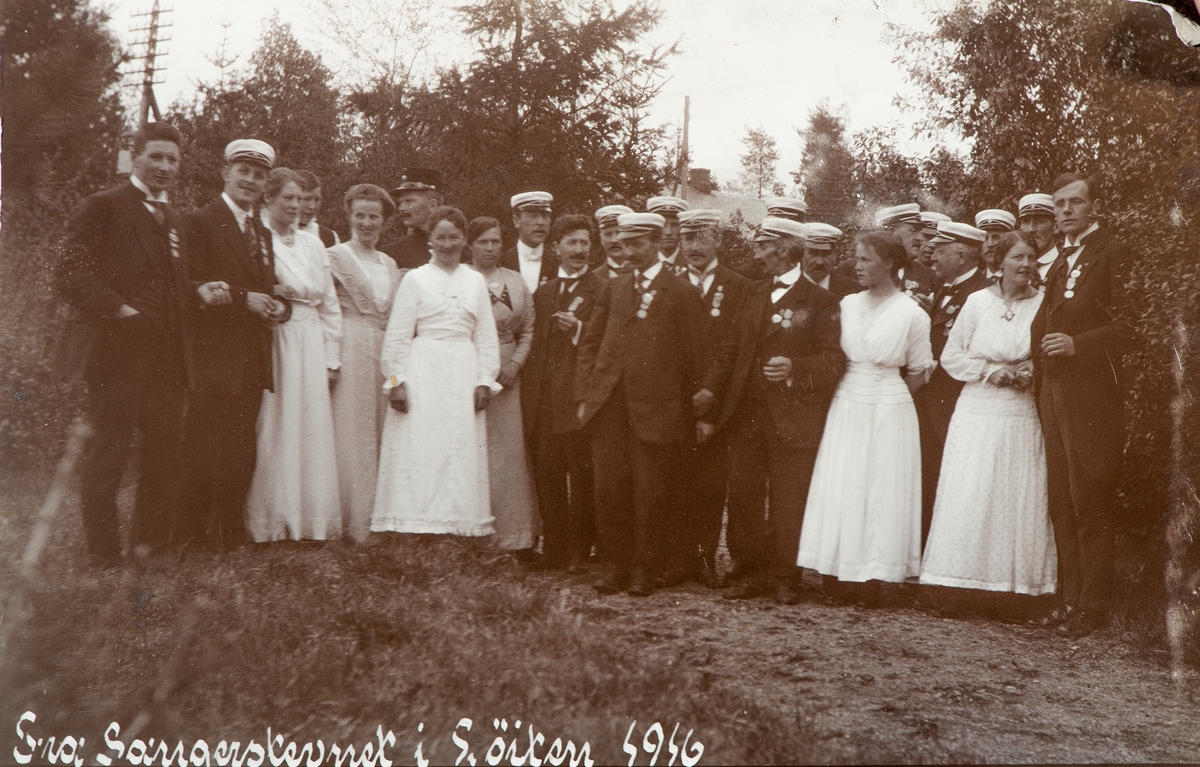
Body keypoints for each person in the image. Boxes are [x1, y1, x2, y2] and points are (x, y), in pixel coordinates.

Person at [56, 122, 230, 564]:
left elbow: (171, 281)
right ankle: (104, 554)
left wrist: (197, 290)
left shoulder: (174, 219)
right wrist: (121, 311)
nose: (165, 167)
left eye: (172, 159)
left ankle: (148, 548)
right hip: (115, 354)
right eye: (156, 156)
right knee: (107, 453)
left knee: (163, 454)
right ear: (133, 158)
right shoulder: (103, 207)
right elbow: (70, 274)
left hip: (167, 359)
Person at [707, 217, 845, 604]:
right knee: (745, 495)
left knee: (790, 498)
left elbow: (835, 361)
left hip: (793, 418)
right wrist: (709, 393)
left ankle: (785, 575)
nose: (755, 253)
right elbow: (730, 349)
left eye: (761, 245)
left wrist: (795, 368)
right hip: (746, 414)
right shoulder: (751, 293)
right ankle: (749, 570)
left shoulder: (822, 301)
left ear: (783, 249)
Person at [575, 212, 710, 596]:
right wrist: (586, 394)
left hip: (657, 412)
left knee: (651, 494)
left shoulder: (681, 291)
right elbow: (590, 344)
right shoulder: (613, 287)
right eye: (623, 244)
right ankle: (613, 566)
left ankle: (645, 570)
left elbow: (697, 357)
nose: (629, 251)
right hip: (609, 409)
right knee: (609, 490)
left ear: (656, 242)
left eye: (637, 244)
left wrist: (695, 411)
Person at [797, 231, 935, 603]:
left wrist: (885, 393)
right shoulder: (847, 305)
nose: (856, 267)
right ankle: (836, 572)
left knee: (880, 490)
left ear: (889, 264)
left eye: (865, 260)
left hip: (890, 407)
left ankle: (873, 576)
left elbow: (919, 372)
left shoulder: (912, 314)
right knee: (845, 482)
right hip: (847, 401)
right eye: (855, 259)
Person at [921, 230, 1057, 600]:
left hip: (1020, 409)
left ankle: (1011, 590)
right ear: (999, 262)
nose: (1026, 265)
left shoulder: (1044, 304)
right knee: (972, 489)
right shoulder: (978, 302)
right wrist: (987, 371)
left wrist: (1032, 368)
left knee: (1017, 492)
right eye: (1018, 257)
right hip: (978, 408)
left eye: (1031, 258)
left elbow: (1047, 352)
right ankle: (957, 585)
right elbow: (951, 355)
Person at [1031, 173, 1134, 636]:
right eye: (1060, 204)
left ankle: (1094, 608)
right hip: (1054, 392)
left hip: (1094, 394)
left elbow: (1133, 327)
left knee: (1089, 497)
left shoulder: (1113, 252)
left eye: (1076, 202)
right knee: (1061, 499)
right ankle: (1069, 601)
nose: (1067, 210)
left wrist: (1077, 344)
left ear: (1094, 207)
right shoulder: (1058, 261)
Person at [181, 138, 291, 550]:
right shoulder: (199, 222)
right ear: (225, 173)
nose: (250, 180)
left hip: (251, 357)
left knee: (240, 445)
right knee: (203, 443)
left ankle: (227, 531)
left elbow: (267, 290)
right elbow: (187, 285)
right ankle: (189, 534)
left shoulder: (261, 231)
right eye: (243, 171)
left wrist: (280, 308)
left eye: (259, 175)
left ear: (265, 184)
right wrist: (245, 300)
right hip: (213, 354)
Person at [372, 207, 501, 537]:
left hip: (463, 368)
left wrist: (485, 379)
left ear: (464, 241)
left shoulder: (474, 281)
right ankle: (416, 522)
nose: (447, 244)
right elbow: (399, 334)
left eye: (454, 237)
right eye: (440, 237)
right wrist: (397, 381)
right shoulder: (415, 279)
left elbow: (485, 335)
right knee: (422, 442)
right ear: (430, 240)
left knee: (459, 443)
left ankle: (459, 523)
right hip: (424, 367)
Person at [245, 168, 343, 542]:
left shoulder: (314, 244)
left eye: (301, 199)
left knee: (310, 423)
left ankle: (310, 521)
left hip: (311, 337)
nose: (296, 205)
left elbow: (330, 304)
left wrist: (332, 358)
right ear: (267, 199)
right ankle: (270, 520)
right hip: (275, 336)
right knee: (276, 422)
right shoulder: (256, 239)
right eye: (288, 197)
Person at [663, 209, 754, 588]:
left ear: (719, 241)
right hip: (672, 401)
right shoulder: (666, 282)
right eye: (687, 238)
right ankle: (674, 560)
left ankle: (703, 560)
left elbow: (733, 347)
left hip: (717, 402)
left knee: (709, 485)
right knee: (671, 482)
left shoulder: (739, 286)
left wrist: (711, 394)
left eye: (702, 238)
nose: (694, 246)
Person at [522, 214, 604, 570]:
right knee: (549, 476)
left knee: (582, 478)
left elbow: (607, 345)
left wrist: (579, 329)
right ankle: (554, 549)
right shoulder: (544, 292)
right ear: (556, 249)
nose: (579, 250)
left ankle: (579, 551)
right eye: (571, 243)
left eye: (585, 243)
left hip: (577, 401)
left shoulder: (602, 289)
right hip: (544, 403)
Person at [327, 184, 404, 541]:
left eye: (374, 216)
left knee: (383, 427)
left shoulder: (389, 263)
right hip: (352, 343)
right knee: (354, 428)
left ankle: (382, 517)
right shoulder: (334, 256)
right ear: (349, 216)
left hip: (384, 346)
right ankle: (355, 521)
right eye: (360, 215)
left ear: (385, 221)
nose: (367, 222)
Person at [467, 216, 541, 554]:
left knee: (509, 454)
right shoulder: (463, 279)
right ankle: (473, 534)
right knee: (475, 451)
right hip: (470, 371)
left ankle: (516, 537)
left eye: (495, 241)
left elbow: (528, 328)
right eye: (483, 241)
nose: (490, 248)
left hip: (509, 376)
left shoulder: (516, 280)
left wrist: (514, 364)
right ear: (470, 245)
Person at [918, 221, 991, 543]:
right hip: (934, 399)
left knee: (955, 478)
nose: (933, 257)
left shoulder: (979, 292)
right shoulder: (944, 288)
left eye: (941, 251)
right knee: (932, 474)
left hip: (959, 401)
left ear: (961, 255)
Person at [380, 168, 443, 269]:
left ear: (432, 205)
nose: (401, 209)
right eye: (400, 203)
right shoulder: (390, 254)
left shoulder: (458, 247)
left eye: (409, 201)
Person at [502, 191, 558, 293]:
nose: (540, 222)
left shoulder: (559, 264)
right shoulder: (501, 263)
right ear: (516, 221)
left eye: (545, 216)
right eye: (533, 216)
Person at [801, 223, 859, 298]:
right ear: (801, 253)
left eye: (826, 254)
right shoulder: (786, 286)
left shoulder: (854, 290)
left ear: (835, 254)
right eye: (813, 253)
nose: (819, 262)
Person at [1018, 193, 1059, 285]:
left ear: (1056, 227)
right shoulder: (1014, 268)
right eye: (1026, 222)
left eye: (1040, 221)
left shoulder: (1065, 265)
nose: (1031, 229)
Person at [296, 170, 340, 247]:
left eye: (317, 200)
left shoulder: (329, 237)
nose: (312, 206)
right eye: (306, 199)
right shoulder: (276, 233)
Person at [645, 196, 689, 269]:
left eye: (674, 225)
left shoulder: (692, 264)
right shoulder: (642, 263)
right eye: (663, 225)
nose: (668, 232)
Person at [975, 209, 1016, 283]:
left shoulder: (1020, 278)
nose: (990, 244)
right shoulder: (972, 282)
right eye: (985, 238)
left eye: (996, 237)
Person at [594, 204, 633, 278]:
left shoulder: (644, 272)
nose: (614, 240)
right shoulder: (593, 278)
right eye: (608, 234)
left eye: (619, 233)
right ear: (601, 239)